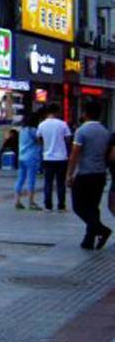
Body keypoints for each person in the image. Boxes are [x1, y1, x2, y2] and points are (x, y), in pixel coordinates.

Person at [66, 101, 111, 250]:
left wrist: (69, 174)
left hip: (85, 173)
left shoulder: (81, 131)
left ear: (85, 113)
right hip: (100, 174)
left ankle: (101, 230)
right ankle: (89, 239)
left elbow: (74, 153)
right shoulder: (106, 131)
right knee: (93, 206)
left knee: (79, 206)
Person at [37, 104, 71, 212]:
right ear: (57, 112)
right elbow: (68, 139)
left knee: (48, 182)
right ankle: (61, 205)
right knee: (61, 182)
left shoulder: (42, 125)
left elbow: (38, 139)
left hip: (47, 157)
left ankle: (48, 205)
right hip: (61, 157)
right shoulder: (63, 124)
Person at [14, 114, 42, 210]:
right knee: (31, 180)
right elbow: (39, 141)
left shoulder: (22, 130)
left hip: (21, 157)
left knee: (20, 179)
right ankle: (31, 202)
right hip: (31, 157)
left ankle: (17, 201)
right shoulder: (33, 130)